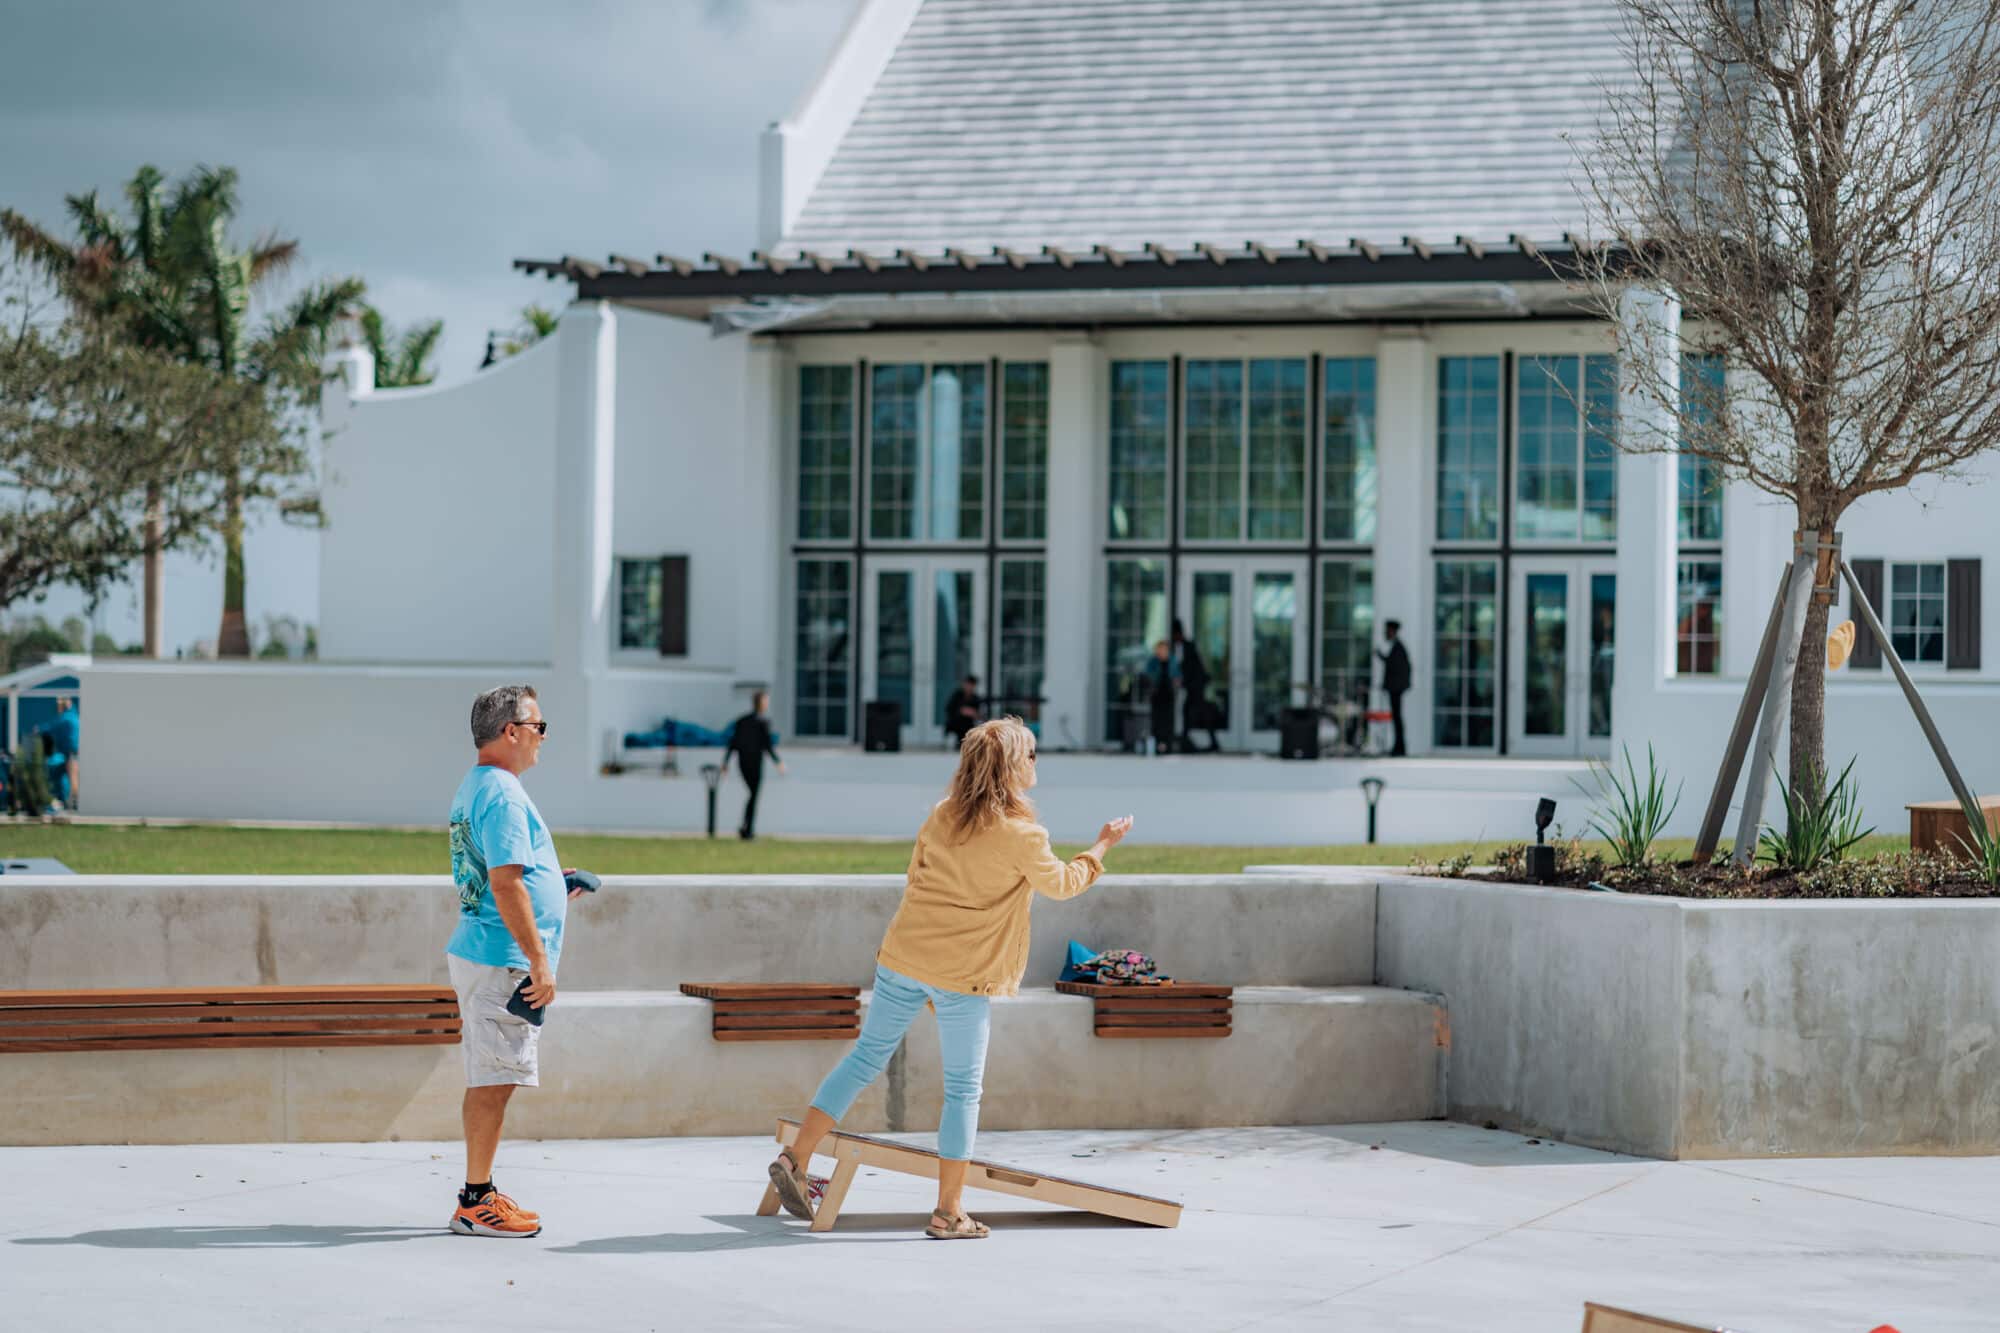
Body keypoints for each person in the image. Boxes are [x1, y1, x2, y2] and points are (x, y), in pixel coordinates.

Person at [767, 718, 1133, 1239]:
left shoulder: (943, 815)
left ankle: (796, 1157)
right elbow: (1062, 885)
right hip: (964, 976)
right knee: (963, 1090)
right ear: (1010, 767)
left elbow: (916, 875)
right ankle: (948, 1211)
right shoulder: (1023, 834)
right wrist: (1101, 847)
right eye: (1030, 755)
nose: (1035, 763)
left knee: (866, 1057)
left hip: (904, 957)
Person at [445, 684, 589, 1238]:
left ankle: (477, 1194)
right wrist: (539, 961)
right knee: (494, 1079)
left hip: (487, 950)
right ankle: (476, 1200)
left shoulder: (477, 785)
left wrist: (554, 882)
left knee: (494, 1075)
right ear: (511, 731)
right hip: (504, 960)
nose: (542, 739)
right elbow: (506, 884)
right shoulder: (503, 794)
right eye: (539, 727)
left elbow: (498, 875)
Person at [720, 690, 785, 840]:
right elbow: (767, 745)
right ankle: (747, 829)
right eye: (766, 701)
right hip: (754, 764)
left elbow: (732, 744)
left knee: (752, 795)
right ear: (761, 702)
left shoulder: (742, 721)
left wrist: (726, 763)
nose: (767, 704)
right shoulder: (762, 723)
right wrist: (778, 762)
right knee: (754, 796)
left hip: (742, 763)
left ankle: (746, 827)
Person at [1171, 620, 1219, 753]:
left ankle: (1191, 741)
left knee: (1198, 713)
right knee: (1191, 712)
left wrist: (1182, 680)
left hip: (1197, 686)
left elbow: (1191, 668)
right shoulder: (1182, 647)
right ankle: (1187, 740)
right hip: (1193, 686)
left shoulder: (1187, 646)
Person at [1378, 621, 1412, 757]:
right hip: (1395, 688)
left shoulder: (1398, 647)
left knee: (1397, 718)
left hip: (1396, 689)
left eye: (1387, 631)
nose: (1385, 633)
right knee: (1396, 718)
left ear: (1392, 631)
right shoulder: (1397, 647)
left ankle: (1399, 748)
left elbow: (1396, 667)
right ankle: (1398, 747)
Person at [42, 697, 79, 811]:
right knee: (69, 778)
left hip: (71, 754)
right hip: (71, 754)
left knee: (73, 780)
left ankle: (74, 803)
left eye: (59, 705)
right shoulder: (73, 716)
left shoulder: (67, 718)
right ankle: (68, 802)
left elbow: (52, 727)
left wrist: (39, 729)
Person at [1145, 639, 1178, 755]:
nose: (1162, 651)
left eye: (1164, 649)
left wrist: (1175, 683)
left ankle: (1167, 746)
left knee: (1168, 720)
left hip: (1169, 694)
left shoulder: (1173, 660)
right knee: (1156, 720)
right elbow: (1148, 675)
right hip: (1157, 694)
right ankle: (1156, 745)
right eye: (1159, 649)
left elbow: (1177, 675)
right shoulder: (1152, 661)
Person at [942, 674, 982, 749]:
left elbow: (978, 715)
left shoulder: (976, 698)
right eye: (968, 684)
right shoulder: (957, 695)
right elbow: (949, 709)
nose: (969, 687)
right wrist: (961, 711)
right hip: (956, 722)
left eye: (971, 685)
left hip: (968, 724)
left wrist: (972, 713)